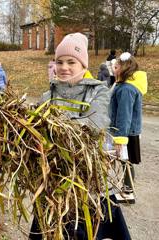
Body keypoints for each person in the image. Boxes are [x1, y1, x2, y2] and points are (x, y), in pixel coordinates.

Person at [29, 33, 131, 240]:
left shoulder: (98, 92)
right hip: (55, 176)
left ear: (83, 64)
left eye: (71, 62)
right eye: (59, 62)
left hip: (87, 176)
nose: (64, 67)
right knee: (53, 227)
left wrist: (54, 130)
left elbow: (95, 124)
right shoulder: (48, 95)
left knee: (85, 229)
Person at [109, 52, 148, 204]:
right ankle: (126, 188)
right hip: (128, 131)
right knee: (126, 161)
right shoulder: (124, 85)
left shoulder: (126, 89)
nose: (113, 69)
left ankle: (128, 192)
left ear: (124, 68)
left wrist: (120, 138)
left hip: (126, 132)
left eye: (116, 67)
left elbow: (124, 114)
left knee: (126, 161)